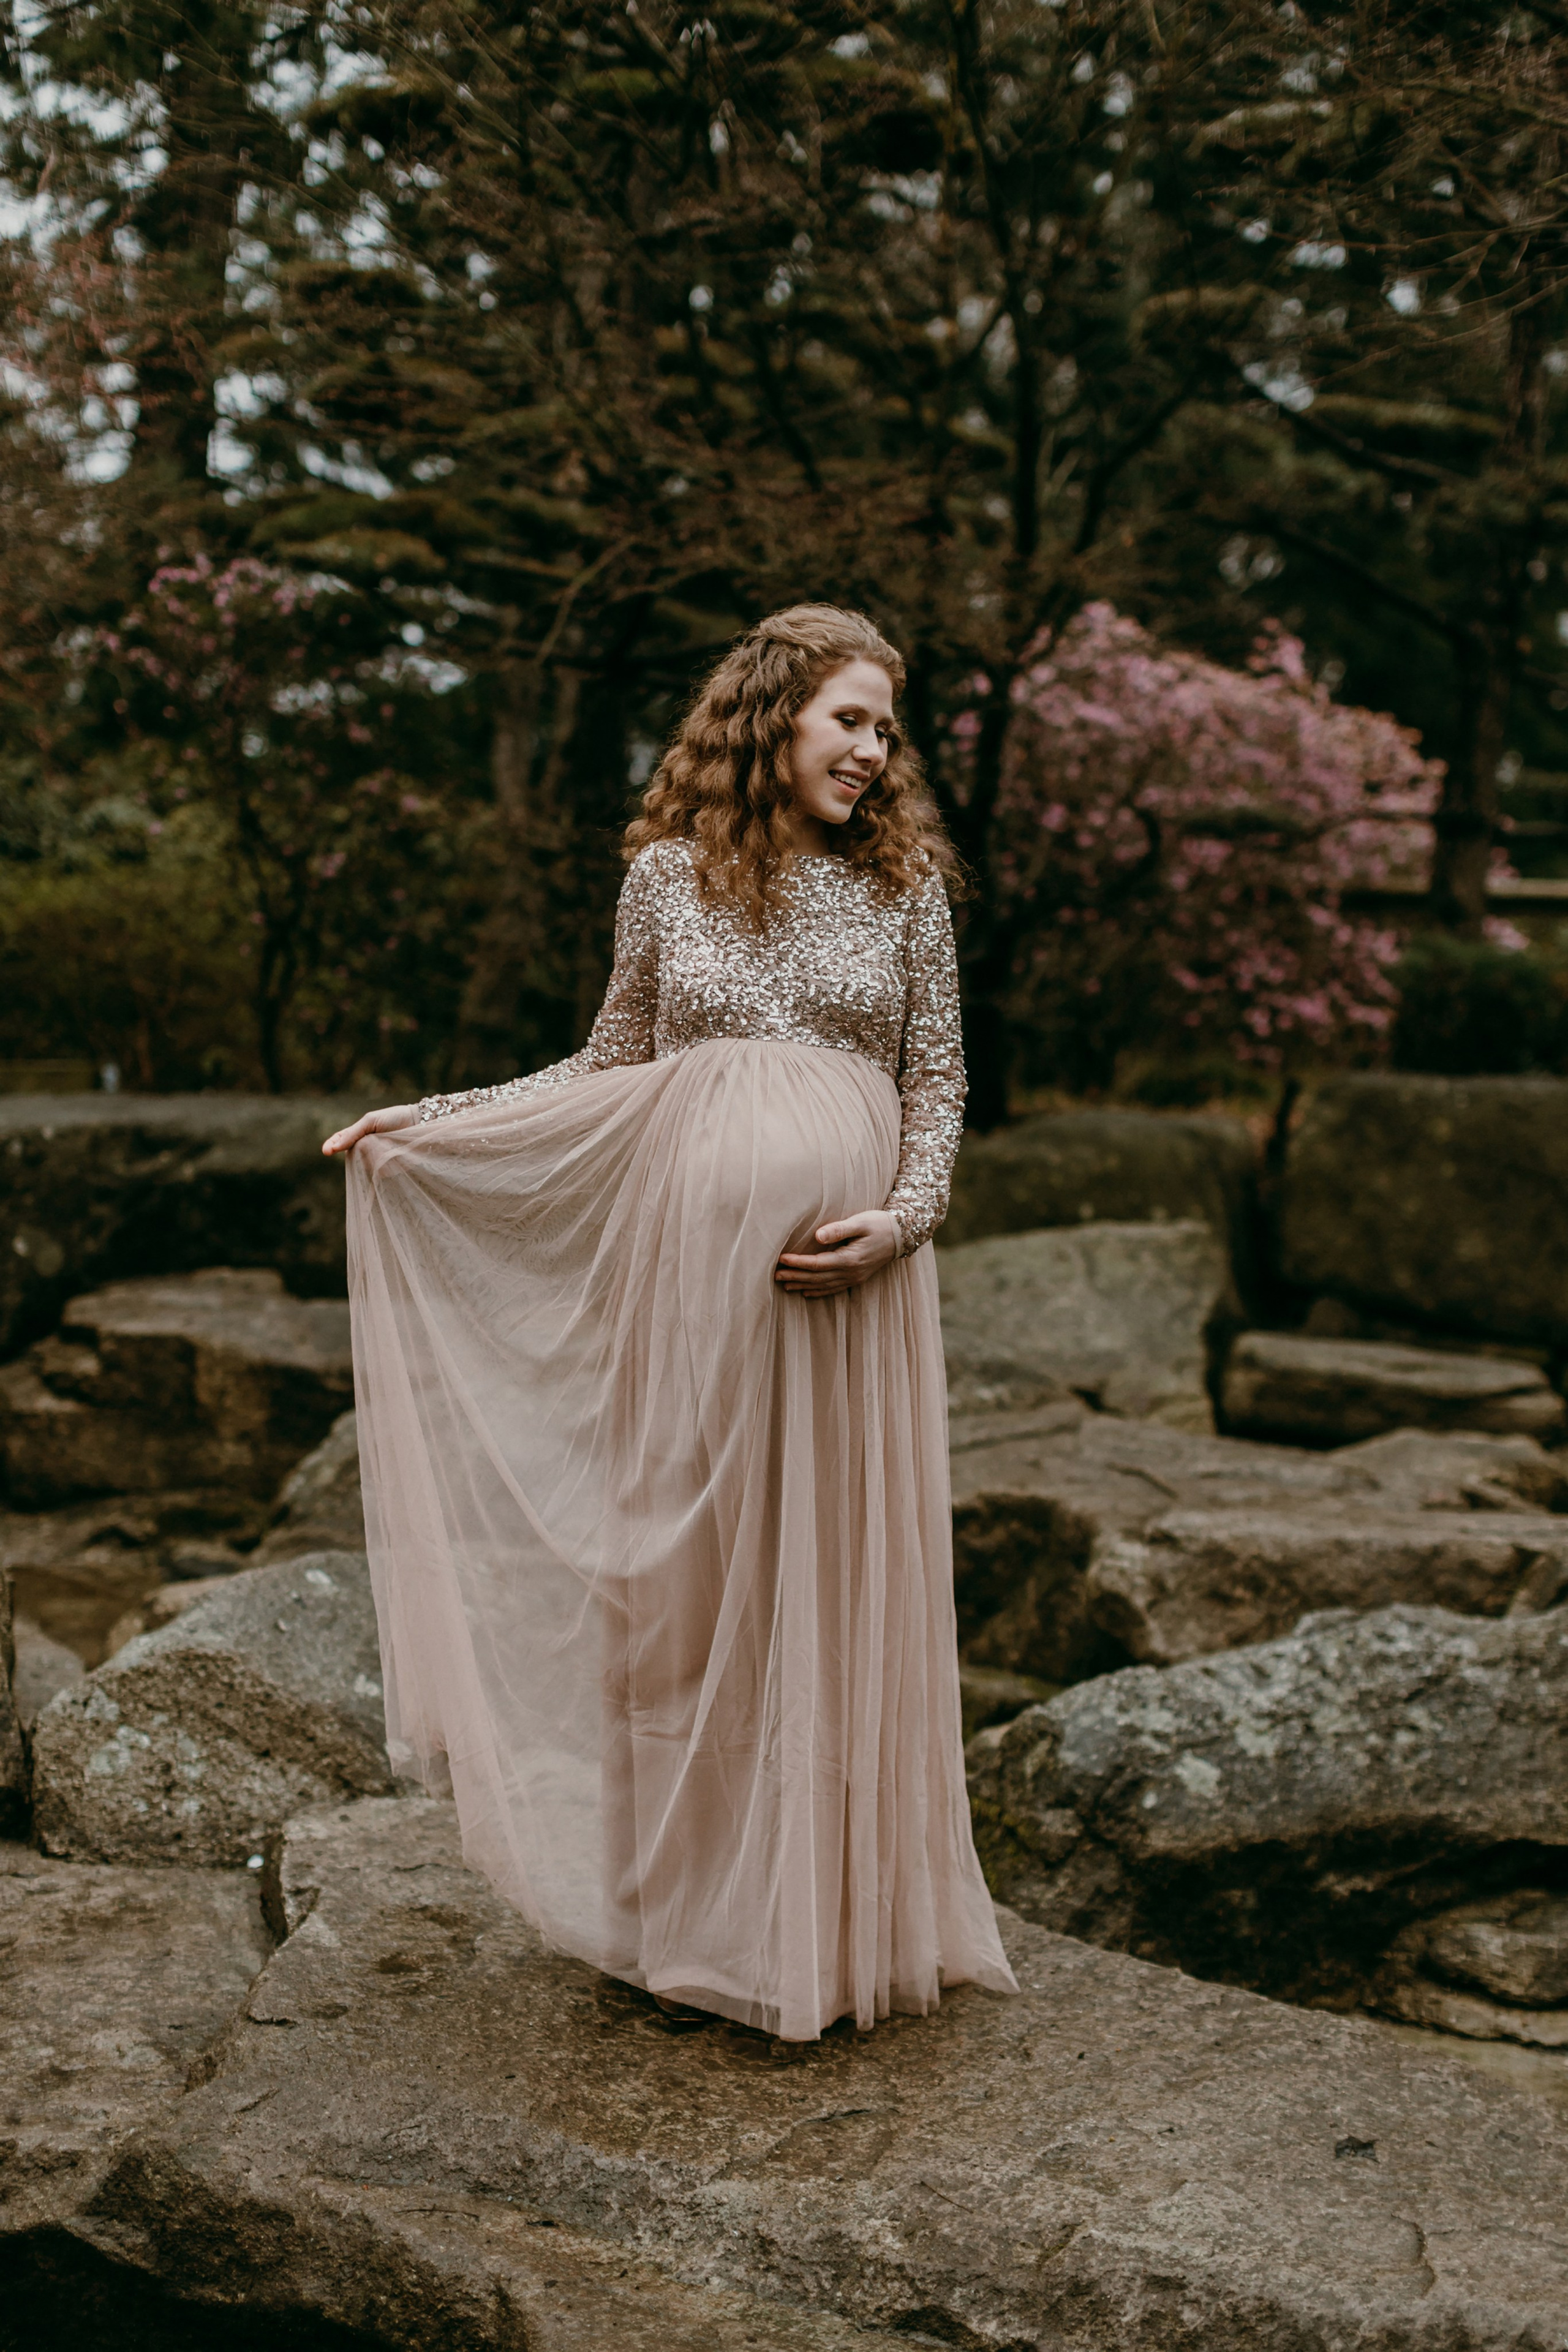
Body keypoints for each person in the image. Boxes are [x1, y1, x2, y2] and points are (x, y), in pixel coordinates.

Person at [323, 604, 1017, 2042]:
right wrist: (435, 1119)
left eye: (885, 730)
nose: (874, 753)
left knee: (823, 1592)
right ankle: (679, 1921)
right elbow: (610, 1059)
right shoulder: (664, 880)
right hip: (685, 1289)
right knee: (689, 1592)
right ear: (770, 715)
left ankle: (821, 1927)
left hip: (847, 1304)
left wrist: (905, 1217)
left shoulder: (902, 893)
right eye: (850, 720)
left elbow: (939, 1082)